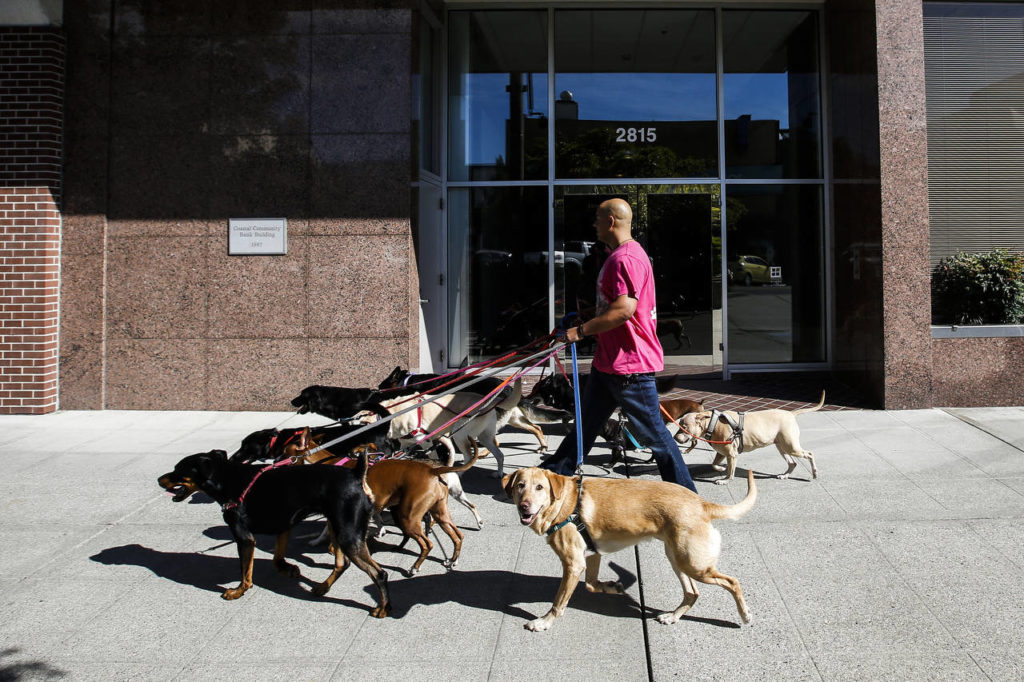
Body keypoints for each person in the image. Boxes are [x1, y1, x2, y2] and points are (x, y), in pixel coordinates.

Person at [541, 198, 697, 492]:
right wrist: (586, 318)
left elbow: (625, 309)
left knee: (656, 437)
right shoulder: (628, 254)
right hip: (609, 363)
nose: (594, 225)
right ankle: (553, 476)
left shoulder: (624, 259)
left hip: (630, 366)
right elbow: (618, 307)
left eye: (598, 219)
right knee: (586, 426)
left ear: (611, 221)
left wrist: (581, 331)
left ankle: (687, 496)